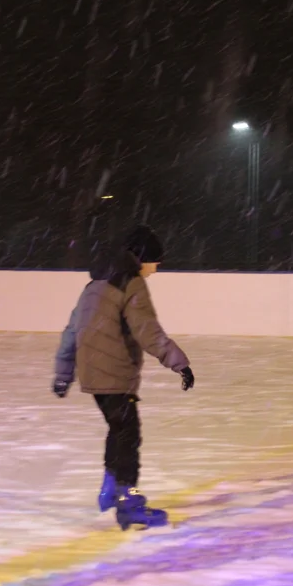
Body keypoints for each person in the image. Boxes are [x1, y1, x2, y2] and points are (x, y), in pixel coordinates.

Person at [52, 224, 195, 530]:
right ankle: (127, 502)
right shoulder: (131, 283)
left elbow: (71, 331)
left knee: (119, 429)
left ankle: (110, 488)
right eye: (155, 260)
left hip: (92, 371)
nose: (157, 266)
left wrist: (64, 373)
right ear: (140, 258)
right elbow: (148, 331)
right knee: (129, 434)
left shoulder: (94, 285)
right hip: (114, 372)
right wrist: (178, 362)